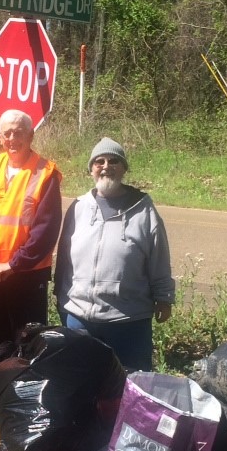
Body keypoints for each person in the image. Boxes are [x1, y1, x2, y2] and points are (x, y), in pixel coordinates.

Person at [54, 137, 174, 372]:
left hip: (128, 320)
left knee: (131, 384)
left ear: (124, 168)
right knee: (82, 381)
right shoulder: (78, 207)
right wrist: (60, 295)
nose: (106, 166)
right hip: (79, 316)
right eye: (99, 161)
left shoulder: (143, 209)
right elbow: (64, 258)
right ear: (91, 169)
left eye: (114, 161)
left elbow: (159, 257)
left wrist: (164, 297)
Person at [0, 109, 62, 352]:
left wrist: (14, 264)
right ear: (0, 137)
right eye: (7, 133)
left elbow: (46, 231)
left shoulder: (45, 174)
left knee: (27, 344)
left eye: (18, 133)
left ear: (30, 136)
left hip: (26, 276)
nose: (12, 139)